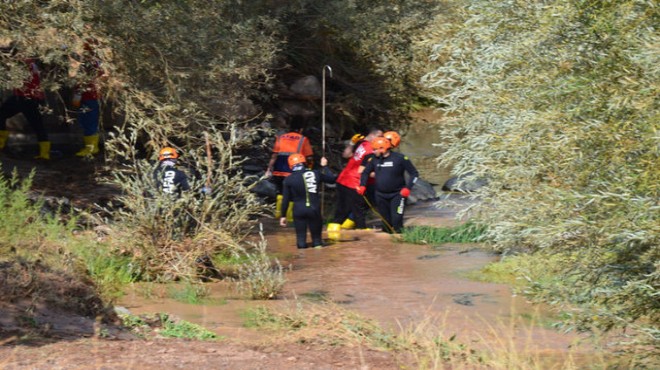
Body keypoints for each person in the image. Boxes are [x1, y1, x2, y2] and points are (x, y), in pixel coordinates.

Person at [358, 136, 419, 233]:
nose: (373, 152)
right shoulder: (374, 159)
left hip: (398, 194)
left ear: (383, 148)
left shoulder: (400, 158)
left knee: (396, 220)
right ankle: (387, 244)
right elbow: (365, 173)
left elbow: (414, 173)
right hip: (380, 195)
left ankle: (400, 241)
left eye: (375, 149)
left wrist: (408, 188)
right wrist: (362, 185)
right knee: (386, 223)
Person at [327, 127, 382, 233]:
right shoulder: (371, 150)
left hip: (343, 180)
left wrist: (352, 143)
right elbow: (365, 171)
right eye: (380, 137)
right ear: (372, 136)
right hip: (353, 182)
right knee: (357, 209)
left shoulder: (362, 143)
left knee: (345, 208)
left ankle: (341, 228)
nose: (381, 140)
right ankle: (360, 232)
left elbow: (346, 155)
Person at [0, 49, 50, 160]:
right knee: (1, 114)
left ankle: (45, 154)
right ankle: (1, 143)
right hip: (20, 98)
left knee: (38, 126)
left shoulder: (29, 66)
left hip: (30, 99)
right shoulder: (27, 65)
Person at [280, 153, 336, 249]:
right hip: (314, 209)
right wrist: (325, 167)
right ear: (304, 163)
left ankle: (302, 257)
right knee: (317, 243)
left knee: (301, 243)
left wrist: (283, 216)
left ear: (290, 166)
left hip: (298, 210)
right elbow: (332, 179)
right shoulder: (315, 173)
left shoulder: (288, 180)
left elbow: (285, 200)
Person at [265, 116, 314, 219]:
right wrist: (310, 169)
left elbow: (274, 156)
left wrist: (269, 169)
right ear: (301, 129)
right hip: (293, 170)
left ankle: (278, 213)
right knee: (292, 193)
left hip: (279, 170)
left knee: (280, 192)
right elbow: (309, 157)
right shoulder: (303, 139)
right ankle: (290, 216)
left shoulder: (281, 137)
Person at [71, 40, 104, 157]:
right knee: (85, 121)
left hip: (90, 96)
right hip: (85, 96)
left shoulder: (92, 63)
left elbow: (86, 80)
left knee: (90, 121)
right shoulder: (88, 62)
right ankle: (89, 147)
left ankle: (92, 148)